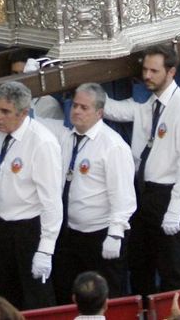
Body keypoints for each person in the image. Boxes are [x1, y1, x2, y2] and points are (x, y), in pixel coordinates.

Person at [101, 43, 180, 295]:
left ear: (171, 72)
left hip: (169, 195)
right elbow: (115, 109)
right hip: (144, 193)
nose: (147, 76)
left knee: (173, 268)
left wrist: (175, 209)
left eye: (154, 71)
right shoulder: (149, 104)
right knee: (141, 265)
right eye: (145, 70)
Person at [0, 79, 63, 310]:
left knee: (36, 300)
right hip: (0, 228)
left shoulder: (42, 143)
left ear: (23, 113)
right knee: (1, 297)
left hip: (29, 230)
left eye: (5, 111)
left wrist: (45, 249)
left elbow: (52, 201)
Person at [51, 83, 139, 302]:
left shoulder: (112, 145)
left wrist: (115, 233)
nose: (77, 111)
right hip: (70, 232)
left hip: (100, 234)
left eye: (84, 107)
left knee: (108, 297)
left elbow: (123, 195)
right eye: (75, 105)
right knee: (69, 294)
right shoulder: (66, 138)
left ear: (99, 113)